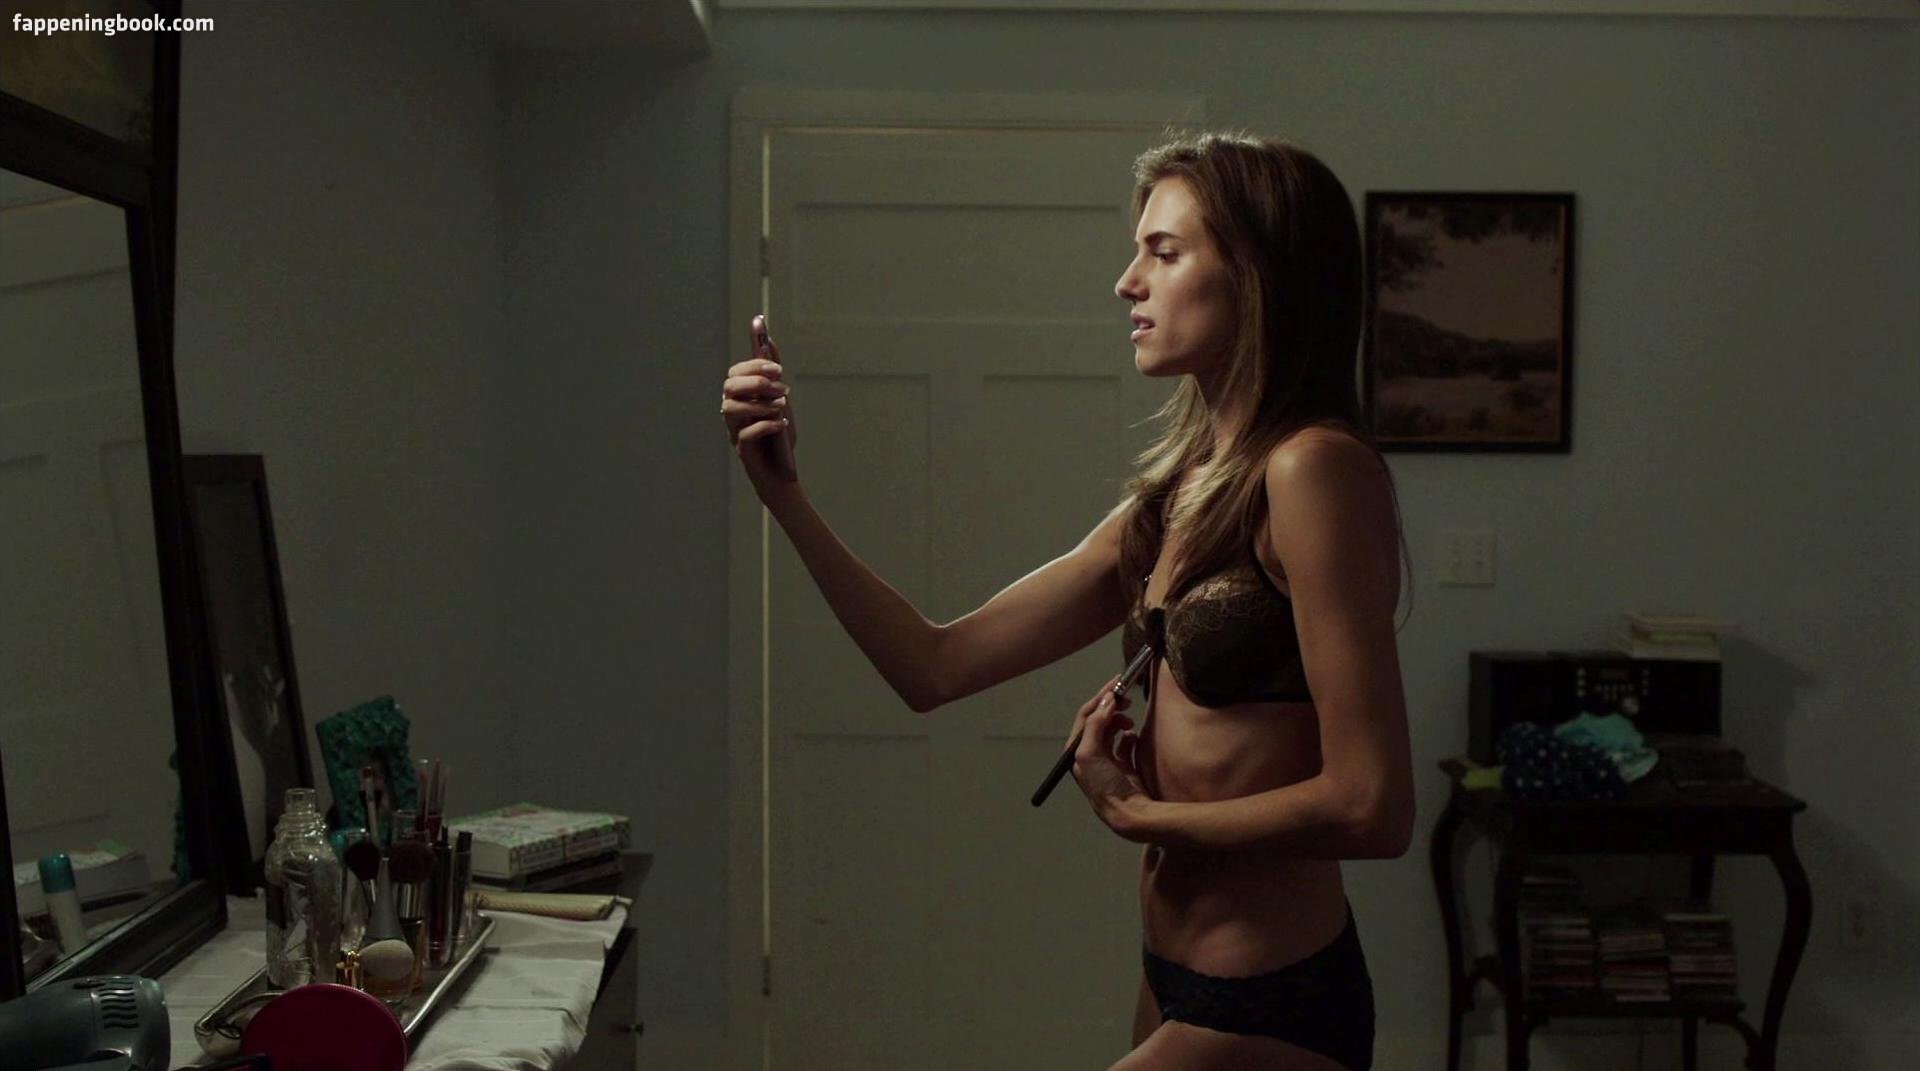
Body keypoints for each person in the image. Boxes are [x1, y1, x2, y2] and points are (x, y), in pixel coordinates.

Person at [721, 131, 1415, 1071]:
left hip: (1272, 998)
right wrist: (785, 497)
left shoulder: (1313, 470)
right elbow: (933, 665)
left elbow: (1374, 805)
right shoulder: (1179, 494)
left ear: (1257, 276)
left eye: (1163, 252)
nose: (1128, 283)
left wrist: (1141, 815)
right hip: (1172, 978)